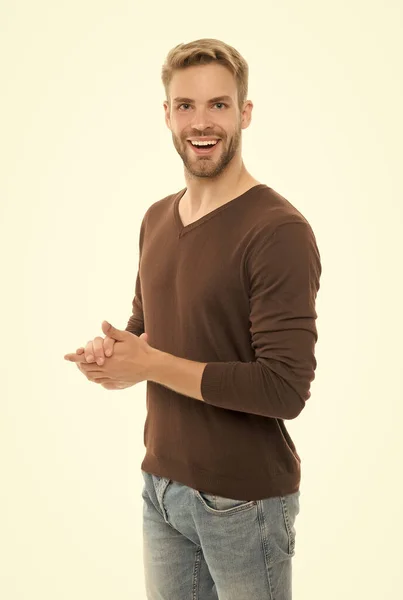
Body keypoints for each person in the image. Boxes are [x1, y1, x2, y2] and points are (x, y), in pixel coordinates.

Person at [65, 38, 322, 600]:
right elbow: (146, 329)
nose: (201, 122)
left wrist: (151, 363)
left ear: (245, 113)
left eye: (219, 105)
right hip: (161, 488)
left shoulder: (277, 230)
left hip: (243, 502)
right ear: (166, 114)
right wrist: (116, 356)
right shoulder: (156, 217)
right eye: (186, 105)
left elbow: (286, 388)